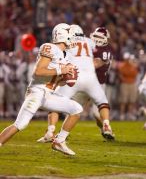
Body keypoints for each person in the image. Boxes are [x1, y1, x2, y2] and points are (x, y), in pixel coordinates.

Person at [0, 23, 83, 156]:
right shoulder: (49, 47)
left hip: (49, 94)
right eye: (71, 36)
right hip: (37, 91)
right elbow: (38, 72)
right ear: (64, 35)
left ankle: (59, 141)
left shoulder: (66, 55)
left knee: (77, 109)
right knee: (20, 124)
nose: (73, 39)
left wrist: (65, 79)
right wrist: (61, 69)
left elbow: (57, 82)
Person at [37, 25, 115, 143]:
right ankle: (106, 126)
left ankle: (52, 132)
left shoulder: (75, 44)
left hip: (81, 80)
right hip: (94, 84)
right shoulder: (94, 46)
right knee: (95, 110)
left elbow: (95, 62)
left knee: (60, 103)